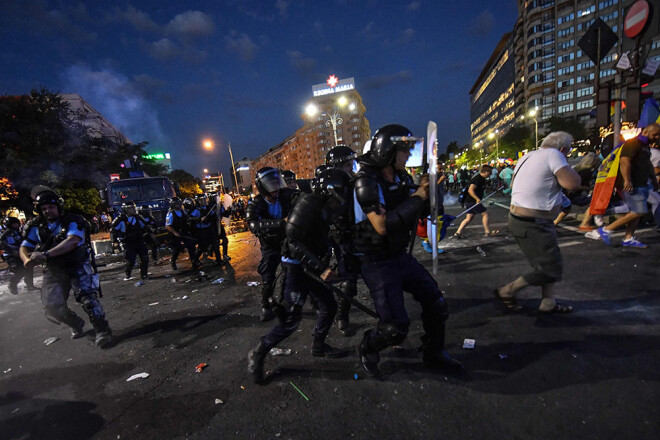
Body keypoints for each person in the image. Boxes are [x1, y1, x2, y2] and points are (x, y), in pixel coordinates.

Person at [352, 124, 462, 377]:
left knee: (437, 303)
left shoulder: (402, 178)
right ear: (388, 151)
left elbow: (426, 212)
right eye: (404, 150)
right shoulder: (366, 181)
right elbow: (382, 225)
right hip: (377, 260)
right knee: (395, 328)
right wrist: (419, 196)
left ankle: (433, 352)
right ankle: (368, 346)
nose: (408, 156)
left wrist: (432, 191)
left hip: (399, 255)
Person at [247, 168, 351, 384]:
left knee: (329, 305)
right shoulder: (305, 207)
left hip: (311, 262)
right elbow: (294, 245)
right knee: (290, 320)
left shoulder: (303, 199)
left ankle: (319, 346)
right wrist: (321, 269)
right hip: (296, 265)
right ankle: (259, 351)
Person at [494, 132, 581, 314]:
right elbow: (572, 183)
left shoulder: (529, 156)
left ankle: (548, 301)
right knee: (550, 267)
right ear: (563, 148)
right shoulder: (554, 155)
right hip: (533, 223)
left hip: (525, 220)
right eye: (569, 151)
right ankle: (508, 290)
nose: (568, 155)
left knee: (548, 260)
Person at [19, 190, 112, 347]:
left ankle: (102, 330)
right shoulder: (36, 226)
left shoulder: (72, 221)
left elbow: (72, 241)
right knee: (51, 305)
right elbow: (25, 246)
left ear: (58, 207)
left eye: (51, 207)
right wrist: (27, 259)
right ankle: (75, 323)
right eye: (44, 208)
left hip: (76, 264)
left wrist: (46, 254)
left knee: (88, 299)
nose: (48, 211)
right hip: (53, 269)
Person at [586, 123, 660, 248]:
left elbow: (648, 166)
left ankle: (628, 238)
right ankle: (605, 230)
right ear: (646, 132)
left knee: (635, 212)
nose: (657, 137)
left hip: (640, 183)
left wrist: (653, 180)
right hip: (631, 184)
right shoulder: (633, 144)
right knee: (639, 211)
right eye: (655, 134)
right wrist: (627, 180)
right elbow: (624, 162)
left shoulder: (644, 147)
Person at [246, 167, 297, 321]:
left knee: (296, 272)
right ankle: (266, 305)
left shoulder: (285, 194)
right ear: (262, 187)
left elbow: (302, 197)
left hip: (287, 241)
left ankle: (290, 302)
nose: (275, 188)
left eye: (276, 183)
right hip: (270, 245)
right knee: (268, 277)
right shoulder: (256, 203)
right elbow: (253, 224)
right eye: (271, 184)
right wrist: (280, 223)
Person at [325, 145, 360, 336]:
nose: (351, 168)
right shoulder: (328, 187)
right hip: (342, 238)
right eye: (348, 165)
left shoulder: (355, 182)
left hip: (361, 235)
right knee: (349, 278)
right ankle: (342, 316)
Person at [453, 164, 498, 238]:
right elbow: (470, 190)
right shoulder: (477, 179)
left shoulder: (482, 179)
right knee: (486, 214)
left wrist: (492, 188)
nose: (490, 174)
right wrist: (477, 199)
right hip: (472, 201)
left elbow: (482, 187)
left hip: (470, 201)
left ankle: (458, 232)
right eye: (490, 172)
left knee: (469, 218)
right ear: (485, 172)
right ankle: (487, 232)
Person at [112, 202, 151, 281]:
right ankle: (128, 273)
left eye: (134, 207)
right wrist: (115, 241)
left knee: (145, 258)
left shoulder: (138, 218)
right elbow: (113, 231)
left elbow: (145, 226)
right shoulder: (121, 219)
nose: (134, 209)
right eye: (131, 208)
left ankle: (144, 274)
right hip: (128, 242)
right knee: (131, 261)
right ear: (126, 209)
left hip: (139, 240)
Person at [1, 217, 38, 294]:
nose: (17, 225)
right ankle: (12, 284)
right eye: (15, 224)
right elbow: (2, 245)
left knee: (28, 267)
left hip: (20, 253)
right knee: (21, 270)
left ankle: (30, 286)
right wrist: (12, 252)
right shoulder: (7, 233)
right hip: (11, 255)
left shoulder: (17, 232)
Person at [166, 197, 201, 271]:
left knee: (191, 246)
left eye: (179, 204)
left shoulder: (182, 211)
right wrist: (175, 233)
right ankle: (173, 261)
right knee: (177, 249)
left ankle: (194, 262)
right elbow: (168, 225)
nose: (178, 205)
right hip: (175, 235)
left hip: (184, 232)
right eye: (176, 204)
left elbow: (188, 218)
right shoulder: (170, 214)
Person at [190, 194, 225, 266]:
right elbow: (190, 218)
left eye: (204, 199)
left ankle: (219, 260)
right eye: (201, 200)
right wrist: (200, 219)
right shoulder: (196, 209)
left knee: (215, 244)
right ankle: (195, 260)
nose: (203, 201)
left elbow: (214, 216)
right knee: (202, 247)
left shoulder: (209, 208)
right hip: (201, 230)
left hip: (209, 229)